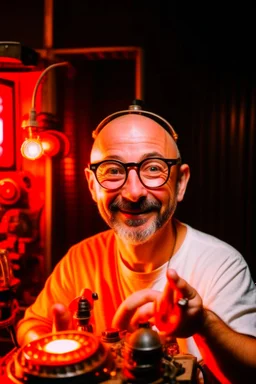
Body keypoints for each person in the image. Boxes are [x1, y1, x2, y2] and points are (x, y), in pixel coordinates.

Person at [16, 102, 256, 383]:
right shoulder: (81, 258)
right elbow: (31, 325)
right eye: (113, 170)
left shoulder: (220, 265)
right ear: (92, 186)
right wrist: (62, 350)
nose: (133, 192)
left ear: (180, 183)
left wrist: (204, 324)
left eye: (153, 168)